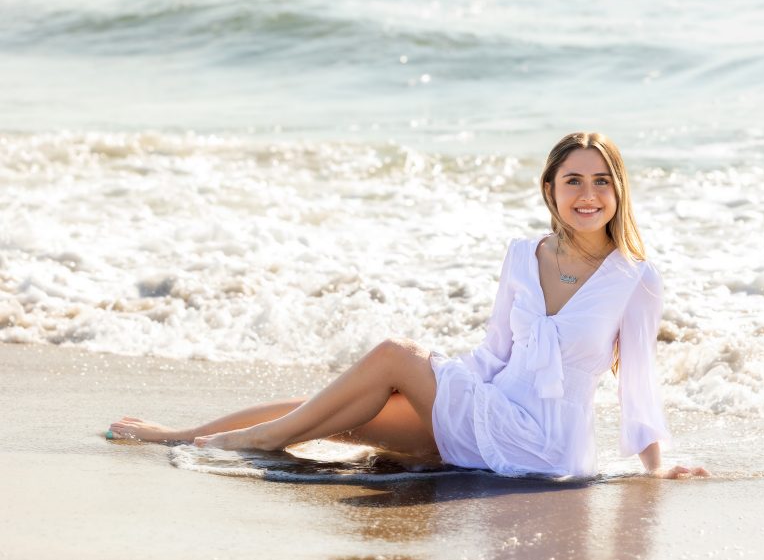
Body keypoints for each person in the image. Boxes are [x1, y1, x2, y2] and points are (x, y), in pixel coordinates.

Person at [108, 132, 708, 479]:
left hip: (547, 448)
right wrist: (439, 387)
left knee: (397, 355)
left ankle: (257, 442)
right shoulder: (522, 254)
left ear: (618, 191)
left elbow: (640, 384)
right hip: (490, 414)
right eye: (573, 180)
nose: (588, 194)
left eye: (602, 181)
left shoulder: (635, 277)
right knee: (331, 411)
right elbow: (497, 351)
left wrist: (656, 469)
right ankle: (185, 436)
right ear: (549, 189)